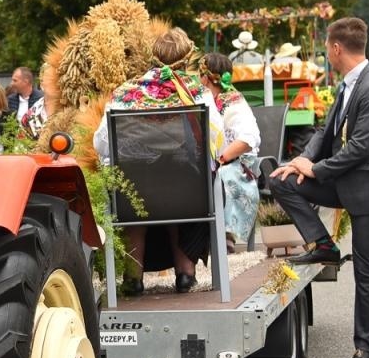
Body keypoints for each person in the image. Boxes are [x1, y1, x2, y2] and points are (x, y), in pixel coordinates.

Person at [269, 16, 369, 358]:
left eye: (327, 50)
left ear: (336, 48)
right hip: (344, 181)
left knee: (365, 269)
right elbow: (325, 130)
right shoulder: (347, 84)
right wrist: (300, 160)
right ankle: (324, 246)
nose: (327, 57)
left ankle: (365, 349)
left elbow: (360, 148)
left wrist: (314, 170)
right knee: (281, 180)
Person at [93, 27, 209, 294]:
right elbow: (215, 145)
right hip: (188, 193)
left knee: (134, 198)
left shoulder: (124, 93)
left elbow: (101, 144)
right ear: (188, 57)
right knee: (190, 187)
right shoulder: (196, 93)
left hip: (133, 190)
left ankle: (133, 279)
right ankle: (185, 275)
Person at [197, 52, 261, 246]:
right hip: (213, 161)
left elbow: (248, 139)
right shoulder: (208, 99)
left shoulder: (233, 103)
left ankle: (225, 237)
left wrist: (220, 161)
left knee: (220, 175)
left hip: (238, 163)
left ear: (206, 78)